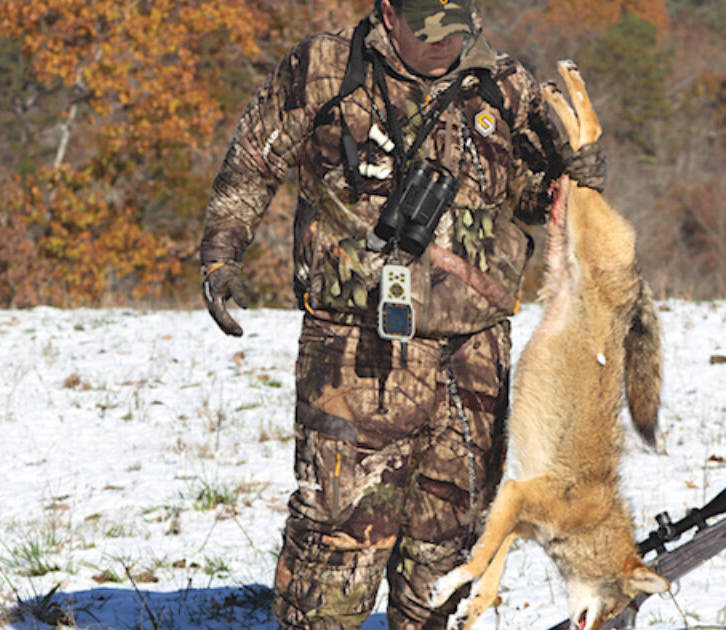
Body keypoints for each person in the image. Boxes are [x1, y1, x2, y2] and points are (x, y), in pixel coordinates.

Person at [199, 1, 603, 627]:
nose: (443, 46)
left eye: (457, 30)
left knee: (450, 544)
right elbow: (254, 159)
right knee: (337, 540)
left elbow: (532, 194)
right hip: (355, 349)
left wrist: (574, 175)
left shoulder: (505, 86)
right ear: (389, 13)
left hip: (475, 354)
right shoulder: (327, 68)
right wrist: (221, 255)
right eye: (427, 31)